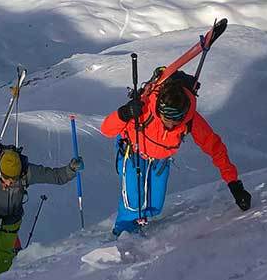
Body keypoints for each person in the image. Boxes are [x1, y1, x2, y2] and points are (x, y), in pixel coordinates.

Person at [100, 68, 252, 239]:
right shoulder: (144, 108)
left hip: (160, 159)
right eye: (167, 120)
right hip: (133, 152)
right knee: (134, 201)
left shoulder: (190, 118)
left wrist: (234, 184)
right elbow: (106, 129)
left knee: (155, 205)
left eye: (176, 122)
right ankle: (121, 234)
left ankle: (137, 224)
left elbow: (215, 147)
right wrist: (124, 113)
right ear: (159, 110)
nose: (171, 126)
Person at [0, 144, 82, 280]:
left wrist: (71, 169)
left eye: (13, 180)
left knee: (4, 257)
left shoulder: (27, 172)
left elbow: (56, 176)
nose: (9, 183)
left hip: (11, 218)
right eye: (5, 179)